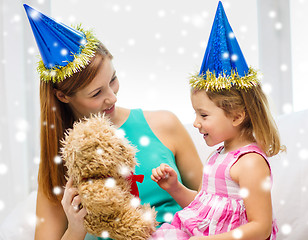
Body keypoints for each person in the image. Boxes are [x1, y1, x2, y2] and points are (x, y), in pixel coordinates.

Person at [23, 4, 203, 240]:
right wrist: (76, 228)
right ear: (63, 96)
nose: (112, 97)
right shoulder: (60, 160)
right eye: (96, 93)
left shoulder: (164, 124)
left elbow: (212, 204)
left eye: (113, 80)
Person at [150, 2, 283, 240]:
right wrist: (175, 188)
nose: (196, 123)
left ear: (236, 116)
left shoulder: (250, 164)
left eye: (203, 115)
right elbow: (205, 210)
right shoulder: (219, 155)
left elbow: (260, 228)